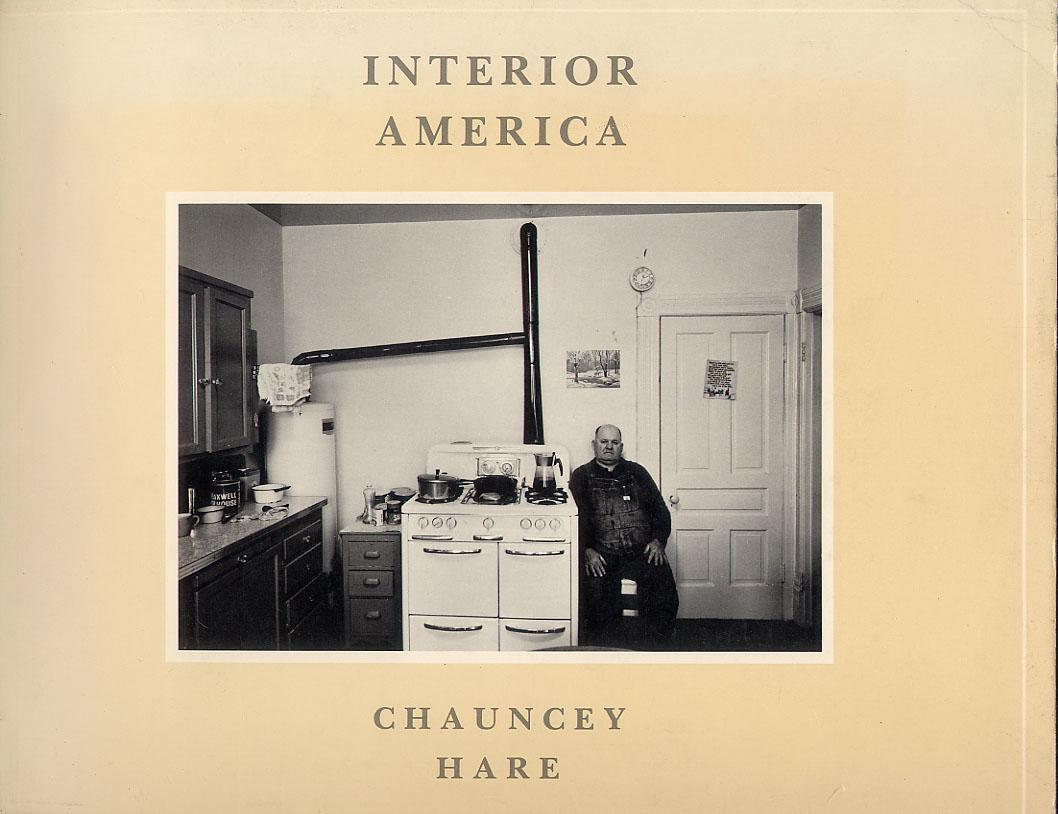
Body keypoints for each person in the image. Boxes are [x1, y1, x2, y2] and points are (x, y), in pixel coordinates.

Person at [569, 424, 679, 649]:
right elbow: (575, 519)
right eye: (604, 442)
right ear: (594, 445)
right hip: (602, 555)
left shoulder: (637, 472)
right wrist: (587, 550)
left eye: (614, 442)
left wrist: (658, 541)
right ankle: (610, 654)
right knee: (598, 603)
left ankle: (653, 652)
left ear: (621, 446)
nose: (609, 447)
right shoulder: (582, 475)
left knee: (665, 597)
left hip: (642, 552)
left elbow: (660, 511)